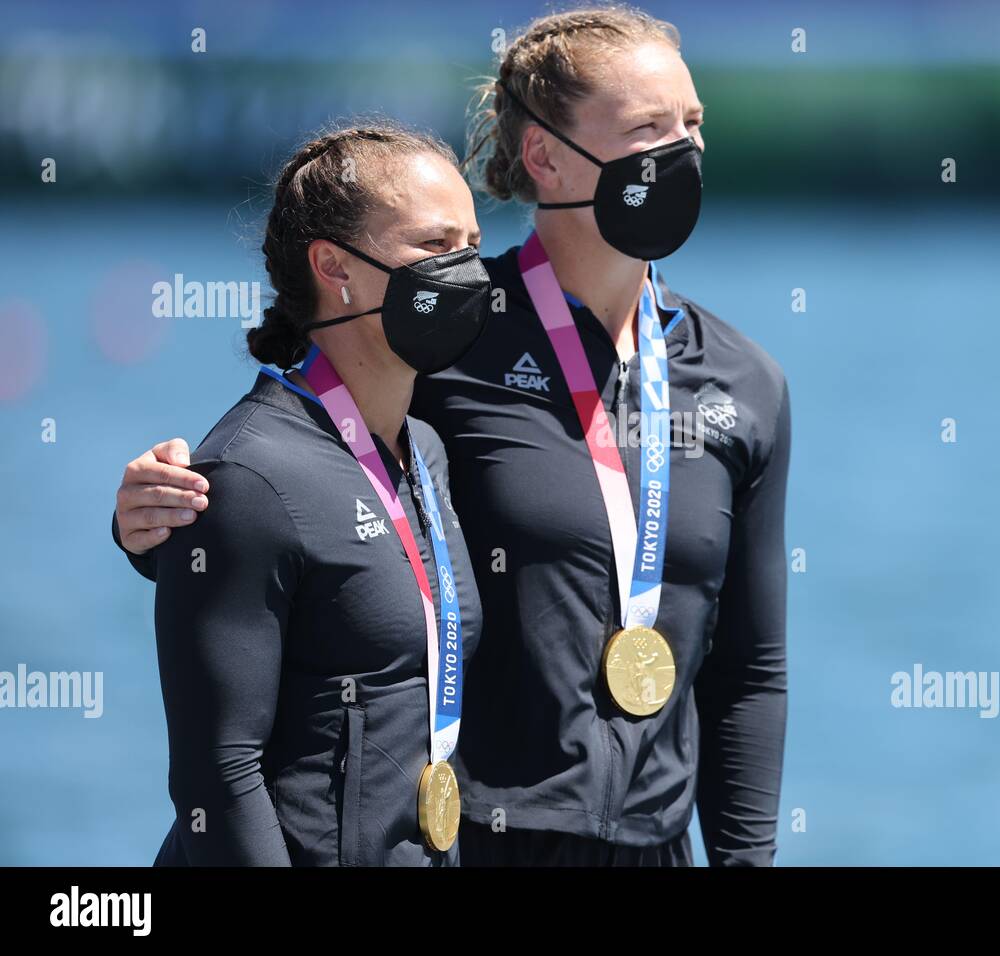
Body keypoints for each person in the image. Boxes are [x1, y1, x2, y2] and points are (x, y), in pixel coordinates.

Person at [114, 5, 790, 867]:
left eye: (692, 124)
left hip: (657, 847)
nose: (682, 150)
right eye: (649, 127)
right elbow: (297, 478)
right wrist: (149, 522)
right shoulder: (450, 330)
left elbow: (750, 675)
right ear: (545, 155)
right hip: (468, 838)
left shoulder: (745, 381)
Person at [133, 124, 488, 865]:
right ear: (336, 267)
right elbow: (217, 776)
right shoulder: (248, 478)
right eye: (434, 246)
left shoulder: (424, 451)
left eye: (473, 244)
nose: (468, 272)